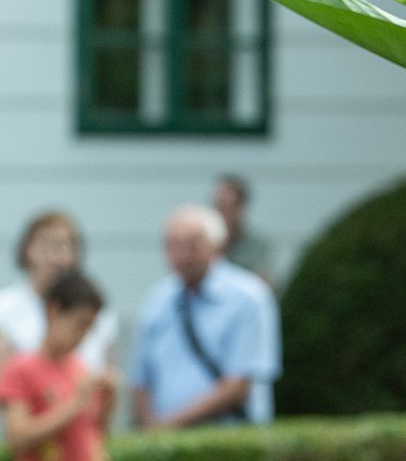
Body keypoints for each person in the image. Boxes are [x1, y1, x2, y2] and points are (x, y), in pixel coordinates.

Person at [131, 205, 279, 428]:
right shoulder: (157, 300)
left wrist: (168, 426)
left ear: (218, 245)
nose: (181, 255)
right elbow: (141, 380)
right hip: (164, 439)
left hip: (228, 437)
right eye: (172, 245)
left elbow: (239, 386)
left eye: (192, 245)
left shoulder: (249, 297)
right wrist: (149, 428)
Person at [0, 270, 116, 461]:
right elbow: (16, 440)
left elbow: (94, 437)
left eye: (89, 328)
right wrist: (76, 403)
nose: (83, 336)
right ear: (53, 311)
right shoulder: (20, 369)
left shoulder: (80, 368)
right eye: (80, 324)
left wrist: (109, 402)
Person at [0, 212, 117, 373]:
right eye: (46, 246)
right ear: (27, 250)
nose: (55, 258)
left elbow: (108, 368)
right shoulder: (4, 308)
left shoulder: (97, 311)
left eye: (63, 246)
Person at [213, 174, 272, 285]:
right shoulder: (205, 243)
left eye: (230, 206)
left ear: (242, 207)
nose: (223, 213)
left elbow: (263, 283)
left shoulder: (257, 245)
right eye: (220, 206)